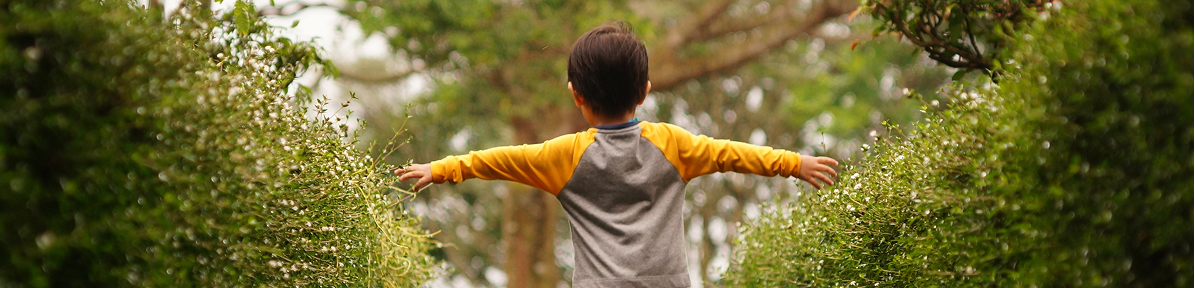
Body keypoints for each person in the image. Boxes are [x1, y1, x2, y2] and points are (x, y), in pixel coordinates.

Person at [396, 21, 839, 288]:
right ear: (645, 92)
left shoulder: (563, 156)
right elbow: (732, 154)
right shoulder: (673, 144)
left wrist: (441, 169)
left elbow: (499, 160)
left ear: (576, 95)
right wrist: (793, 164)